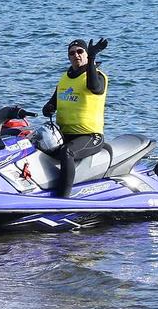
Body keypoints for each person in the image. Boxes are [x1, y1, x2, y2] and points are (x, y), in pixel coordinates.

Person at [42, 38, 109, 198]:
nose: (76, 55)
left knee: (67, 152)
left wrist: (92, 59)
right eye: (72, 53)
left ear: (86, 54)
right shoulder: (65, 79)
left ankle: (62, 199)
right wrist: (48, 109)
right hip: (63, 135)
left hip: (90, 136)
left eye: (80, 52)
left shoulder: (98, 76)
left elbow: (95, 88)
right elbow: (50, 105)